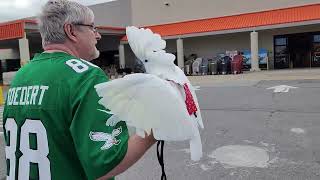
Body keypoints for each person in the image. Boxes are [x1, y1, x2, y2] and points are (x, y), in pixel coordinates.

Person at [2, 0, 156, 179]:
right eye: (92, 27)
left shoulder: (21, 76)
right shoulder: (86, 76)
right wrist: (155, 131)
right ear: (71, 31)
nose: (97, 36)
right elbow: (106, 163)